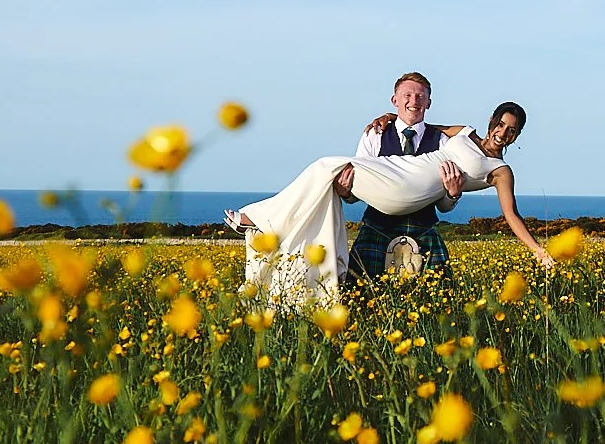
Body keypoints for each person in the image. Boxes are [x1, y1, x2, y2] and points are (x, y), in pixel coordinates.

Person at [228, 102, 549, 304]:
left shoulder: (500, 171)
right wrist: (386, 117)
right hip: (399, 169)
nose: (503, 133)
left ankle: (260, 218)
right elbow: (416, 127)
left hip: (407, 190)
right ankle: (280, 236)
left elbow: (511, 215)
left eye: (512, 131)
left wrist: (537, 250)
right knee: (328, 173)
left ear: (516, 137)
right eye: (501, 124)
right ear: (492, 120)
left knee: (327, 164)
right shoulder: (464, 132)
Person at [349, 71, 462, 282]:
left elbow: (444, 206)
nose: (414, 101)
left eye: (420, 96)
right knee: (359, 303)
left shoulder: (443, 142)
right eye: (407, 95)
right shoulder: (374, 135)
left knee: (437, 307)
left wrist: (453, 194)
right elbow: (356, 191)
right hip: (376, 230)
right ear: (395, 100)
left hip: (423, 231)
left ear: (429, 102)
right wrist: (346, 191)